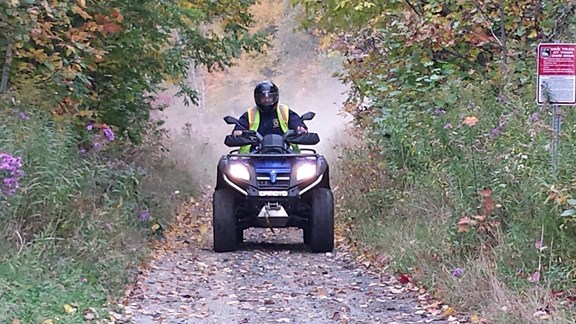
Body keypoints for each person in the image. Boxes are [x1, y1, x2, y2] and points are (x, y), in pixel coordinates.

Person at [234, 80, 308, 153]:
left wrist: (300, 127)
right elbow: (240, 126)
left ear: (275, 97)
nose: (266, 100)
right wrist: (238, 132)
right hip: (253, 156)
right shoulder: (250, 114)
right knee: (227, 162)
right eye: (263, 98)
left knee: (312, 163)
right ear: (257, 99)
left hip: (285, 154)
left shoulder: (284, 111)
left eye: (269, 97)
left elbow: (295, 121)